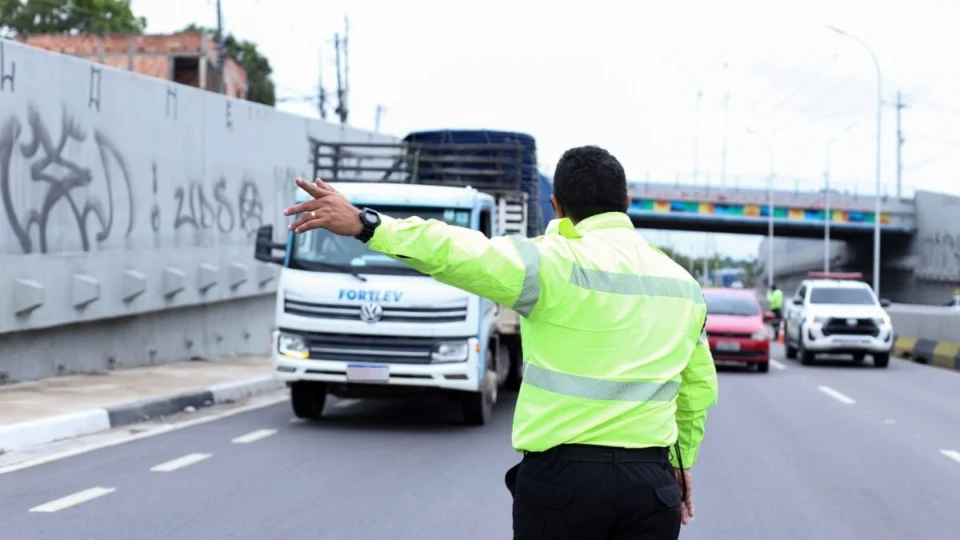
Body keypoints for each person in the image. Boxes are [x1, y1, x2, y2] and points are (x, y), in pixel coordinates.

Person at [283, 145, 720, 540]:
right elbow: (697, 389)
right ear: (626, 203)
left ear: (557, 206)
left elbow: (458, 251)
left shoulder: (549, 262)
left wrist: (366, 225)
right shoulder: (684, 286)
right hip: (650, 488)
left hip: (563, 484)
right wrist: (681, 463)